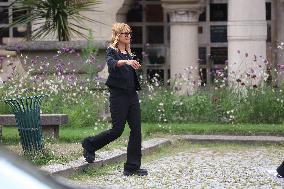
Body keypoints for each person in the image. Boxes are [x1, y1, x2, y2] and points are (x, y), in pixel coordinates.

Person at [81, 23, 148, 176]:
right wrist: (127, 62)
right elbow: (111, 65)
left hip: (132, 95)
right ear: (118, 35)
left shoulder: (129, 54)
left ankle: (132, 167)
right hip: (118, 96)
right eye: (125, 33)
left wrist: (132, 63)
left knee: (136, 130)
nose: (128, 36)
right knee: (117, 130)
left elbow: (128, 73)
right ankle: (90, 144)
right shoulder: (112, 51)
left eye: (129, 33)